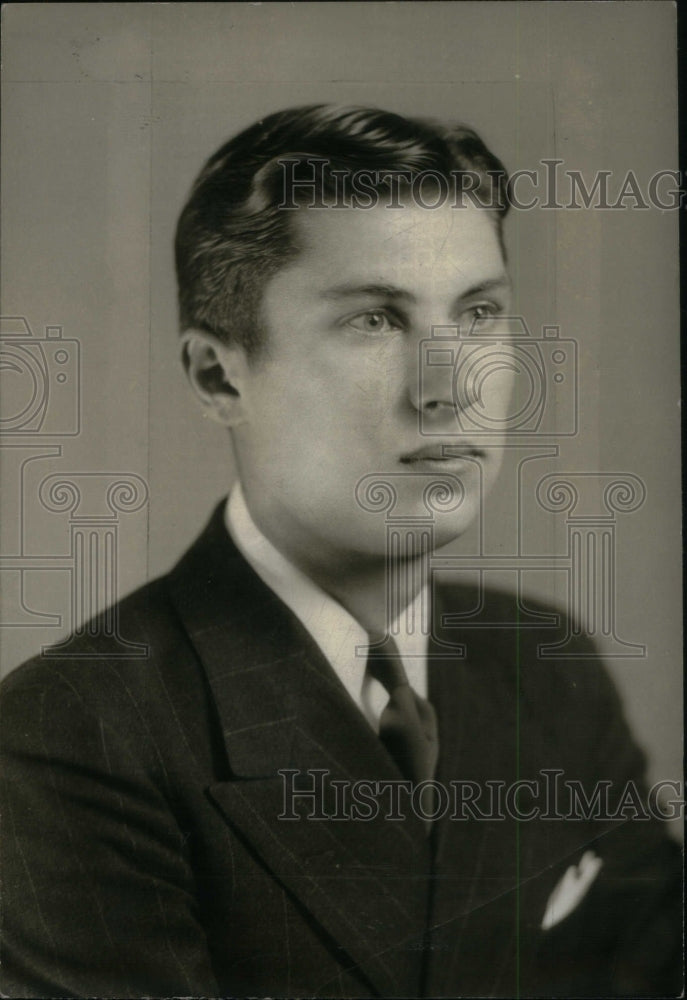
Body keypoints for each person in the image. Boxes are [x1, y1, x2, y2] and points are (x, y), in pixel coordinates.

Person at [0, 105, 681, 999]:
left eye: (476, 312)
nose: (448, 389)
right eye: (373, 321)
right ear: (218, 373)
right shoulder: (74, 731)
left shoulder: (546, 663)